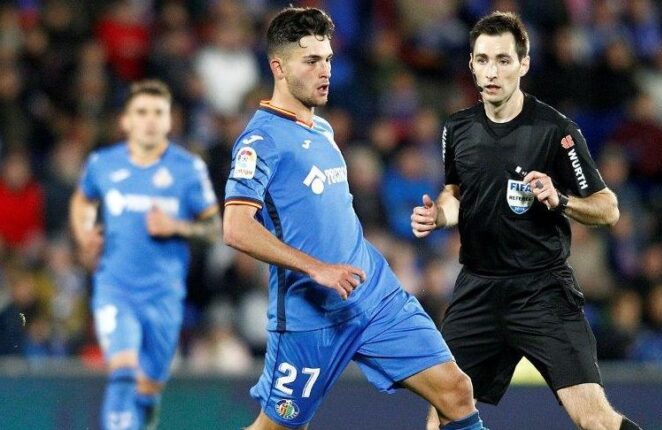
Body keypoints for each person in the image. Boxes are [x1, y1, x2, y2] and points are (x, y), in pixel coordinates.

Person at [222, 7, 487, 430]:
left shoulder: (323, 130)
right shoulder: (261, 140)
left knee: (455, 390)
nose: (324, 70)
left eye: (327, 58)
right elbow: (235, 228)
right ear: (279, 67)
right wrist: (317, 269)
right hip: (310, 315)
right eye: (311, 61)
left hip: (373, 295)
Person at [411, 11, 643, 430]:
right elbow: (456, 195)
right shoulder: (457, 129)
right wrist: (438, 215)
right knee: (441, 417)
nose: (492, 71)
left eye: (503, 60)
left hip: (542, 289)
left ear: (524, 64)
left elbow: (608, 208)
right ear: (471, 65)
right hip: (478, 289)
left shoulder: (554, 130)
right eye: (482, 60)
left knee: (595, 421)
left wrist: (561, 200)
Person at [70, 79, 220, 430]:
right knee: (122, 372)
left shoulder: (188, 169)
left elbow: (215, 230)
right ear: (126, 121)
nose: (150, 120)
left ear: (170, 121)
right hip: (116, 288)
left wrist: (177, 227)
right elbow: (83, 199)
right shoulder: (102, 164)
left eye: (158, 113)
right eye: (141, 112)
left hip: (164, 295)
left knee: (148, 389)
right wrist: (84, 236)